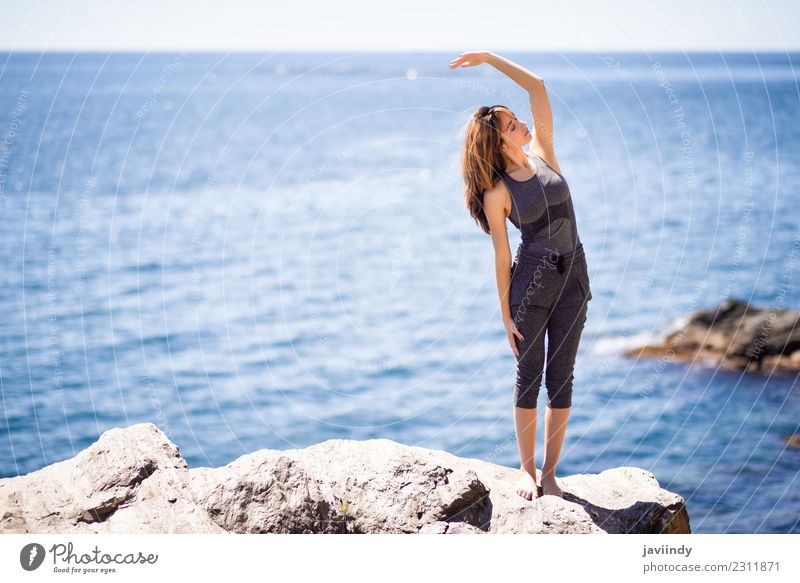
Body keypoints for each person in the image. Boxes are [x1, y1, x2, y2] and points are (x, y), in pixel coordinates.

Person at [450, 51, 593, 502]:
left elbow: (538, 87)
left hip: (574, 280)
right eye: (513, 125)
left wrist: (490, 58)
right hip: (531, 289)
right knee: (529, 377)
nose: (523, 124)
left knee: (563, 377)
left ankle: (551, 473)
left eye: (517, 120)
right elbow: (500, 253)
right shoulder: (497, 192)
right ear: (499, 142)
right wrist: (504, 314)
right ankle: (526, 471)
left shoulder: (543, 152)